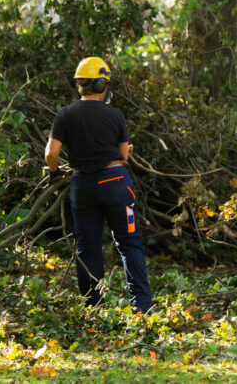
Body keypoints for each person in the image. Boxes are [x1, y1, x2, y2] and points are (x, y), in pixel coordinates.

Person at [44, 57, 154, 314]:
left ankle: (94, 308)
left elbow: (51, 153)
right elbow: (123, 156)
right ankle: (142, 307)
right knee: (129, 244)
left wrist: (54, 173)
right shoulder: (114, 115)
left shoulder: (65, 114)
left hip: (82, 186)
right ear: (101, 84)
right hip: (115, 183)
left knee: (87, 248)